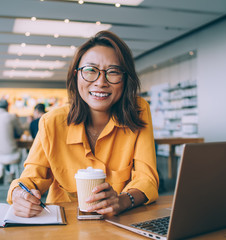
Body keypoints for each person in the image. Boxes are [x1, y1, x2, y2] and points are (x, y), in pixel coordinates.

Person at [8, 31, 159, 218]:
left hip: (120, 223)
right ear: (76, 75)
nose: (101, 82)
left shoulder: (139, 111)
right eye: (90, 71)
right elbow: (30, 179)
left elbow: (147, 178)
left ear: (125, 79)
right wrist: (19, 195)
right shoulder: (52, 122)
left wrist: (123, 200)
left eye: (113, 72)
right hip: (64, 225)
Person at [0, 99, 24, 184]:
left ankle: (1, 170)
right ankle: (12, 173)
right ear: (7, 107)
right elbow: (20, 132)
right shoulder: (12, 117)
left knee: (1, 153)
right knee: (17, 152)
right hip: (11, 154)